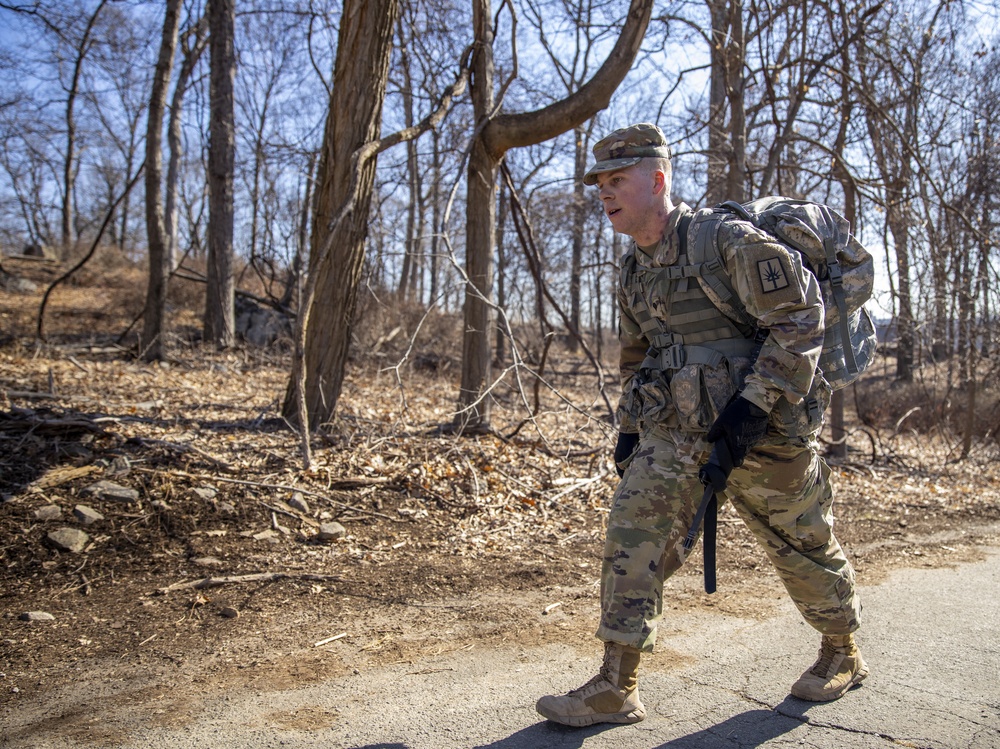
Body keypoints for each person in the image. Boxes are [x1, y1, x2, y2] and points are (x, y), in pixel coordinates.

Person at [535, 123, 867, 727]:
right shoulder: (635, 269)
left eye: (618, 181)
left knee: (802, 546)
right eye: (600, 184)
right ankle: (617, 683)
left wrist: (749, 410)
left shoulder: (724, 241)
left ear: (658, 179)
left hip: (764, 428)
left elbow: (800, 317)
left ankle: (842, 650)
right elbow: (641, 355)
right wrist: (631, 427)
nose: (605, 194)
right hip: (678, 432)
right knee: (634, 530)